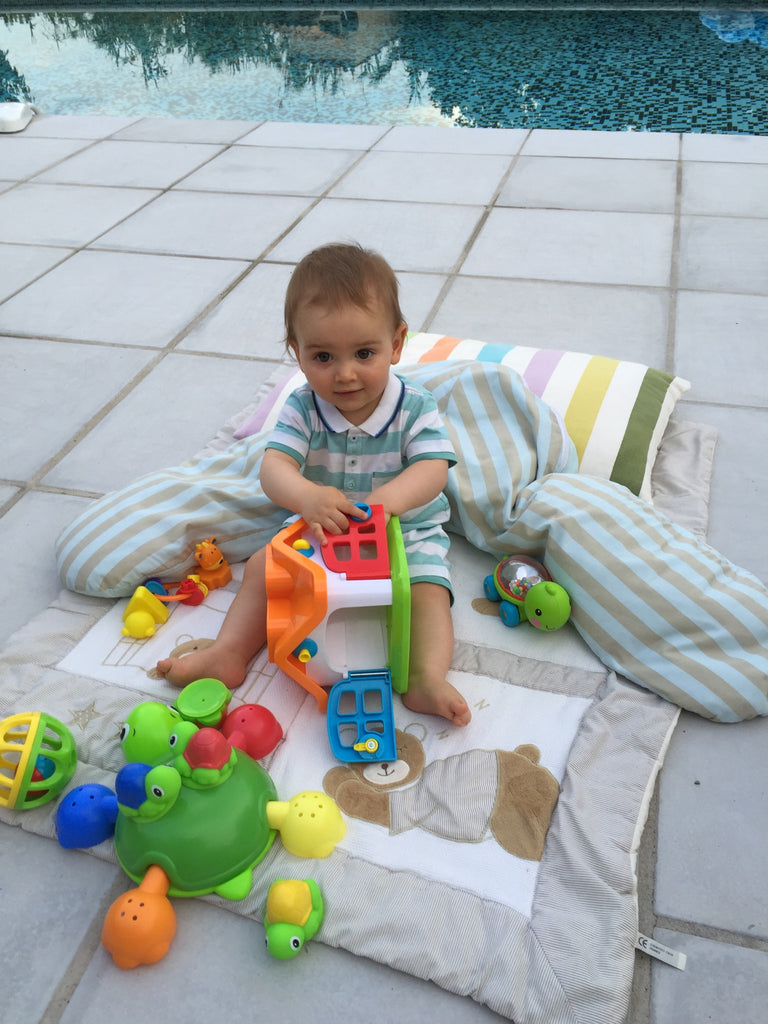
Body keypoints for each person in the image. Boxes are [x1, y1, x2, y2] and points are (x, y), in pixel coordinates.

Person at [157, 242, 470, 727]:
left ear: (396, 343)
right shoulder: (303, 408)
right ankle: (229, 652)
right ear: (297, 353)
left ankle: (426, 677)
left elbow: (432, 468)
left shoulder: (415, 406)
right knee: (263, 568)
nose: (345, 374)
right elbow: (274, 467)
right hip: (321, 530)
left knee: (429, 589)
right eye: (323, 356)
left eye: (364, 353)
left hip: (402, 532)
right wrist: (307, 496)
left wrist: (389, 501)